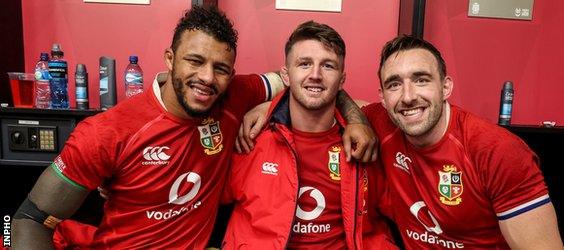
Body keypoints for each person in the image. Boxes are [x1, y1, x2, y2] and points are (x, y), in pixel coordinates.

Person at [11, 6, 376, 249]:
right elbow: (30, 219)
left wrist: (355, 117)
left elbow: (311, 84)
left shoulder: (231, 97)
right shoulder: (107, 132)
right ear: (170, 59)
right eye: (194, 61)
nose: (206, 78)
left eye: (220, 68)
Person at [363, 35, 564, 249]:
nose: (408, 96)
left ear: (446, 87)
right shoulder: (381, 122)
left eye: (421, 80)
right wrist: (357, 123)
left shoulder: (497, 150)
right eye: (394, 85)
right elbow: (336, 99)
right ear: (383, 98)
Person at [220, 21, 394, 249]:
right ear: (285, 75)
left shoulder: (366, 139)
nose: (315, 75)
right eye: (304, 64)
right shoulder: (249, 136)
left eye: (328, 66)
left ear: (342, 80)